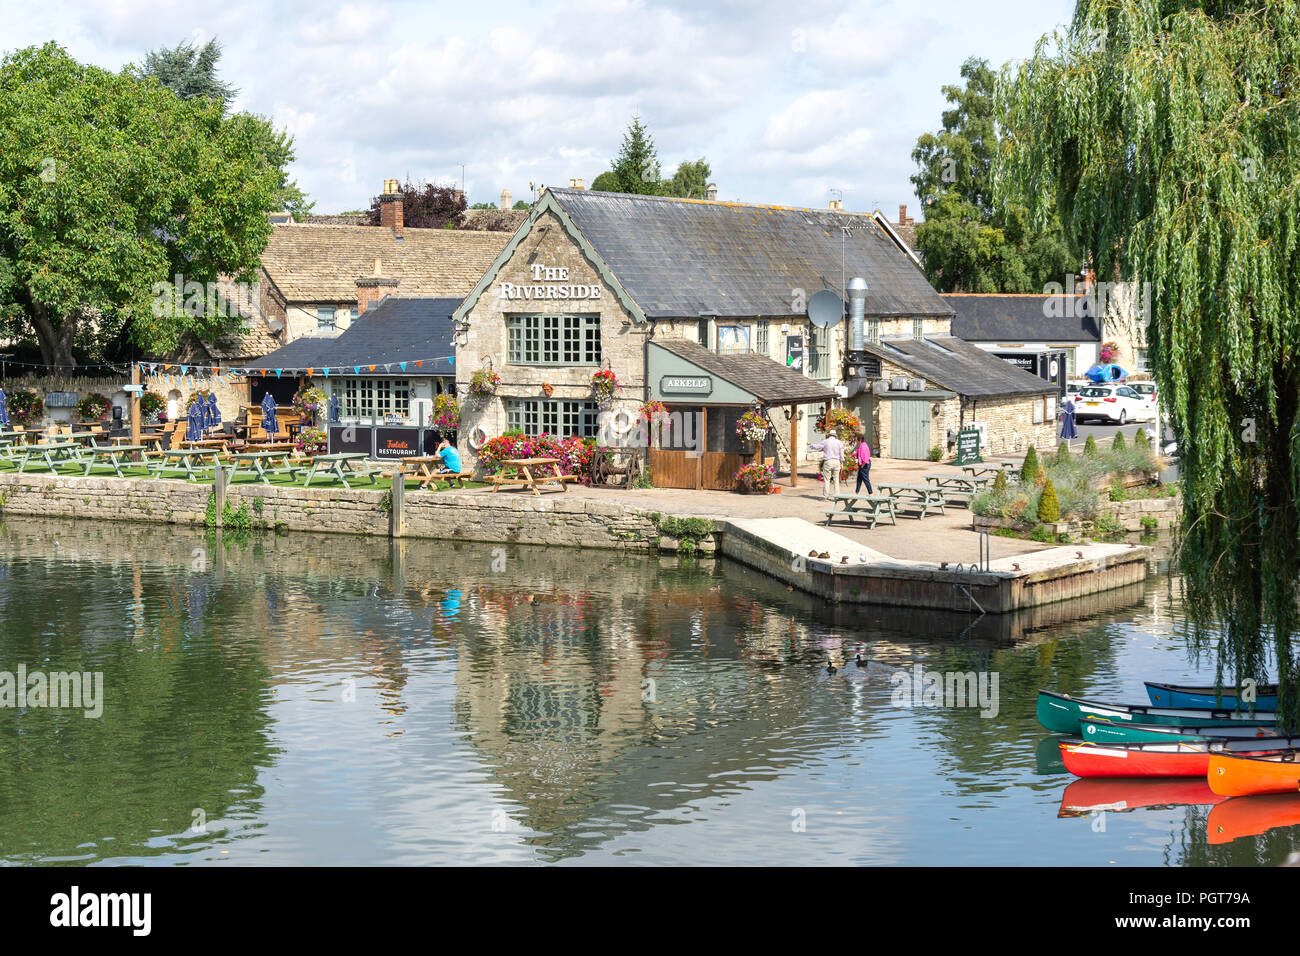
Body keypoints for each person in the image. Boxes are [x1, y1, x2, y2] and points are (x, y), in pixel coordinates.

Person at [809, 432, 844, 498]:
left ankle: (826, 495)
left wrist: (811, 444)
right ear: (835, 435)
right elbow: (841, 454)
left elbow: (817, 447)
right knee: (836, 479)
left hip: (828, 461)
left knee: (827, 479)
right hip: (837, 461)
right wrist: (842, 463)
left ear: (829, 435)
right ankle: (837, 495)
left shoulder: (825, 442)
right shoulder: (839, 442)